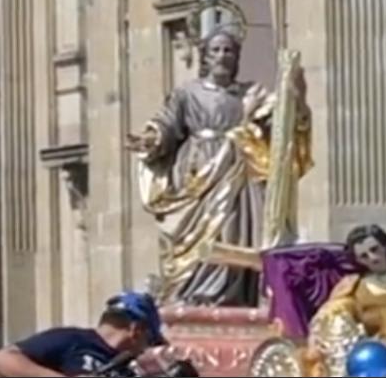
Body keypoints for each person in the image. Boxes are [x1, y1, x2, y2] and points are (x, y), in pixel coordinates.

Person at [128, 26, 312, 307]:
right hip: (200, 170)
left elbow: (279, 127)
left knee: (236, 229)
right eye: (215, 50)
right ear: (205, 56)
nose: (222, 56)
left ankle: (232, 294)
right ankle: (196, 292)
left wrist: (295, 97)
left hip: (240, 170)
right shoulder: (187, 93)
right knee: (199, 232)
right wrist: (152, 138)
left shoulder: (250, 94)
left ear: (237, 57)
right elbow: (168, 123)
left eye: (228, 50)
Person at [307, 225, 386, 376]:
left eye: (375, 249)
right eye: (364, 256)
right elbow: (329, 320)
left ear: (385, 247)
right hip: (371, 361)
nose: (373, 258)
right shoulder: (353, 286)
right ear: (358, 261)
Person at [0, 291, 165, 377]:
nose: (145, 349)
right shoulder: (71, 339)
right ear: (136, 330)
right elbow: (0, 360)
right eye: (149, 340)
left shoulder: (126, 369)